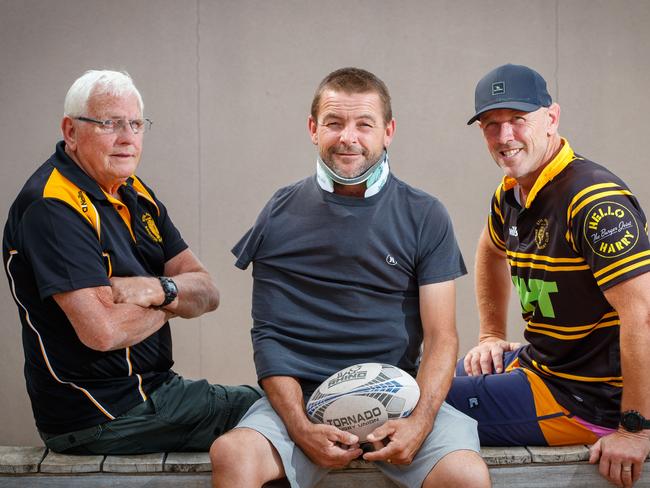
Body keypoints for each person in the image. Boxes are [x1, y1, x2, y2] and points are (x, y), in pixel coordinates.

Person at [209, 67, 490, 488]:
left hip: (400, 401)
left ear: (388, 131)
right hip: (300, 403)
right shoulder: (280, 212)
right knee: (231, 453)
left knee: (466, 476)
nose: (348, 138)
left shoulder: (424, 214)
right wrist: (300, 427)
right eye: (334, 123)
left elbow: (442, 336)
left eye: (364, 124)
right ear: (312, 128)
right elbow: (269, 336)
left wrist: (419, 421)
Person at [2, 70, 260, 455]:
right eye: (109, 124)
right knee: (273, 412)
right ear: (70, 132)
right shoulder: (53, 207)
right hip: (102, 416)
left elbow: (207, 291)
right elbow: (103, 331)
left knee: (277, 409)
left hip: (151, 394)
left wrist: (154, 289)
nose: (127, 138)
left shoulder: (132, 190)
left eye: (136, 124)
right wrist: (175, 301)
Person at [446, 63, 650, 488]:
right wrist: (490, 335)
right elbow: (489, 248)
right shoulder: (512, 191)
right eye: (491, 125)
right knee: (421, 380)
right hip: (544, 367)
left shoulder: (594, 201)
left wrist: (634, 429)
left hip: (585, 400)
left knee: (416, 407)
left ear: (551, 118)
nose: (505, 137)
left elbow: (643, 315)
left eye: (518, 120)